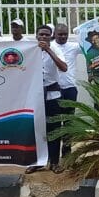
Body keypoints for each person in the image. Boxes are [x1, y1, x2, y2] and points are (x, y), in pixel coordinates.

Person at [26, 25, 68, 174]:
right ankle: (38, 162)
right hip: (35, 96)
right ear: (36, 36)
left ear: (51, 37)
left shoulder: (56, 50)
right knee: (36, 130)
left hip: (52, 94)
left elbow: (64, 67)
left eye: (46, 35)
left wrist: (49, 50)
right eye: (41, 35)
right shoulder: (29, 51)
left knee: (54, 129)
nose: (43, 37)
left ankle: (55, 162)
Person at [53, 24, 83, 156]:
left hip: (70, 88)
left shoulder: (73, 47)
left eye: (65, 34)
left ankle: (66, 152)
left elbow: (92, 47)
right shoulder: (50, 47)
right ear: (54, 34)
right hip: (54, 89)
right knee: (54, 121)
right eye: (60, 34)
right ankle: (52, 153)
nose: (63, 36)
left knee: (69, 121)